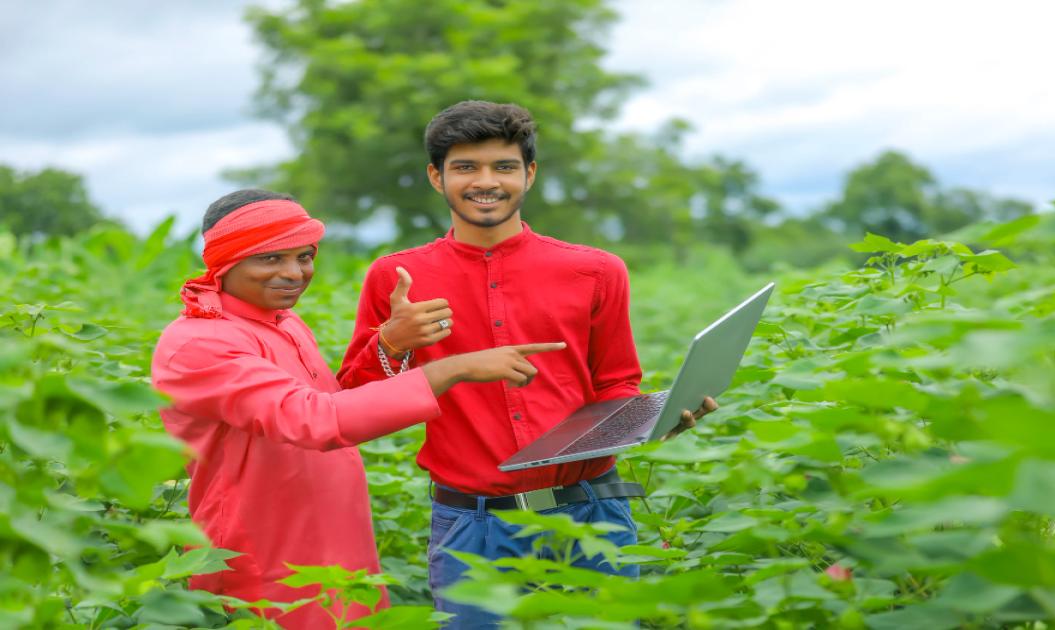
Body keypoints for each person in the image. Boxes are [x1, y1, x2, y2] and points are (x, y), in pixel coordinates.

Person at [337, 101, 717, 627]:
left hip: (592, 513)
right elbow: (355, 403)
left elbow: (616, 382)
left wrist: (650, 420)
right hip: (473, 527)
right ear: (436, 176)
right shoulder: (396, 277)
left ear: (530, 174)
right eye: (466, 167)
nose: (485, 182)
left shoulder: (596, 270)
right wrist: (394, 342)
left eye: (504, 166)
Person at [151, 189, 564, 629]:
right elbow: (315, 419)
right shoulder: (200, 342)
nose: (294, 273)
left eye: (304, 256)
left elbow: (339, 403)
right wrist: (450, 370)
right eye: (270, 259)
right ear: (225, 263)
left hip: (336, 537)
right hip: (263, 550)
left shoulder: (281, 322)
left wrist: (391, 344)